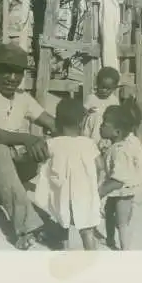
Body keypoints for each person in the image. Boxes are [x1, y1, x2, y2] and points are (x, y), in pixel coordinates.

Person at [0, 43, 56, 251]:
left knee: (43, 149)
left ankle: (59, 218)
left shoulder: (23, 98)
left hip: (11, 170)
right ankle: (26, 228)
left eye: (18, 72)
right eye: (6, 70)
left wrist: (77, 140)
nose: (12, 78)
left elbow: (52, 124)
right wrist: (26, 138)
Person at [31, 98, 104, 250]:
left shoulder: (53, 143)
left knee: (61, 223)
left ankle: (64, 252)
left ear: (57, 122)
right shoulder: (88, 144)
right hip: (83, 193)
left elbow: (41, 160)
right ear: (81, 123)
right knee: (86, 229)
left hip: (62, 194)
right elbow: (100, 165)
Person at [98, 98, 142, 250]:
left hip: (124, 190)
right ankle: (110, 240)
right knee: (109, 211)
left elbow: (118, 180)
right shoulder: (121, 143)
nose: (100, 126)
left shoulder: (120, 150)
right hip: (117, 190)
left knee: (122, 220)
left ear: (117, 131)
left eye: (104, 124)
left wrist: (98, 193)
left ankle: (125, 249)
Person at [82, 66, 121, 153]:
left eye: (108, 89)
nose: (104, 90)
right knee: (96, 117)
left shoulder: (114, 100)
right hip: (92, 130)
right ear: (97, 84)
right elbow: (82, 112)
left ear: (114, 88)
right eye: (102, 87)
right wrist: (88, 112)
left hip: (106, 131)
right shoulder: (91, 98)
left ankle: (104, 149)